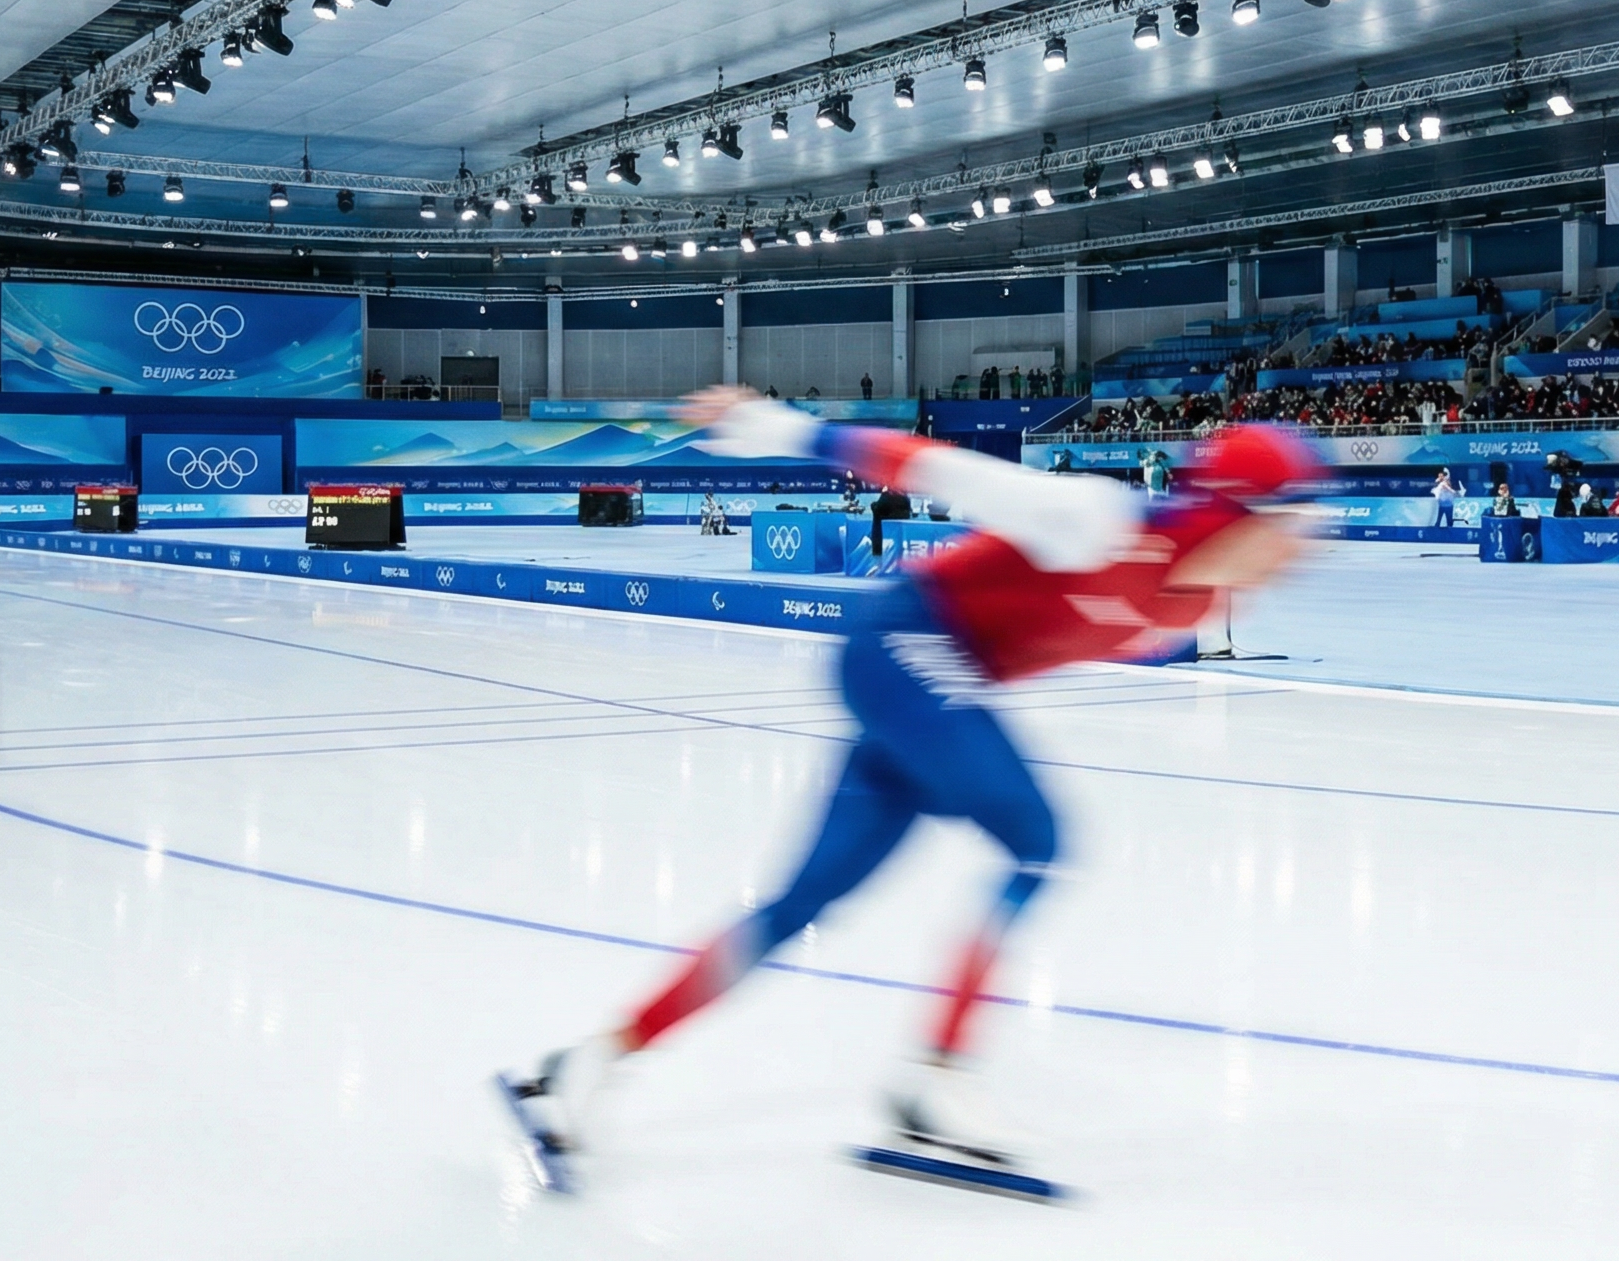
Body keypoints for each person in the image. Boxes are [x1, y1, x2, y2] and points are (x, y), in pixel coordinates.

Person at [500, 392, 1319, 1190]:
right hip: (904, 643)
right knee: (1039, 842)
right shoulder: (1099, 521)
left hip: (928, 684)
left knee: (796, 908)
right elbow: (938, 468)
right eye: (1291, 526)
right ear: (1234, 513)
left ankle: (581, 1067)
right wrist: (785, 429)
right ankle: (937, 1080)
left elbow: (1056, 627)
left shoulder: (1197, 609)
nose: (1304, 550)